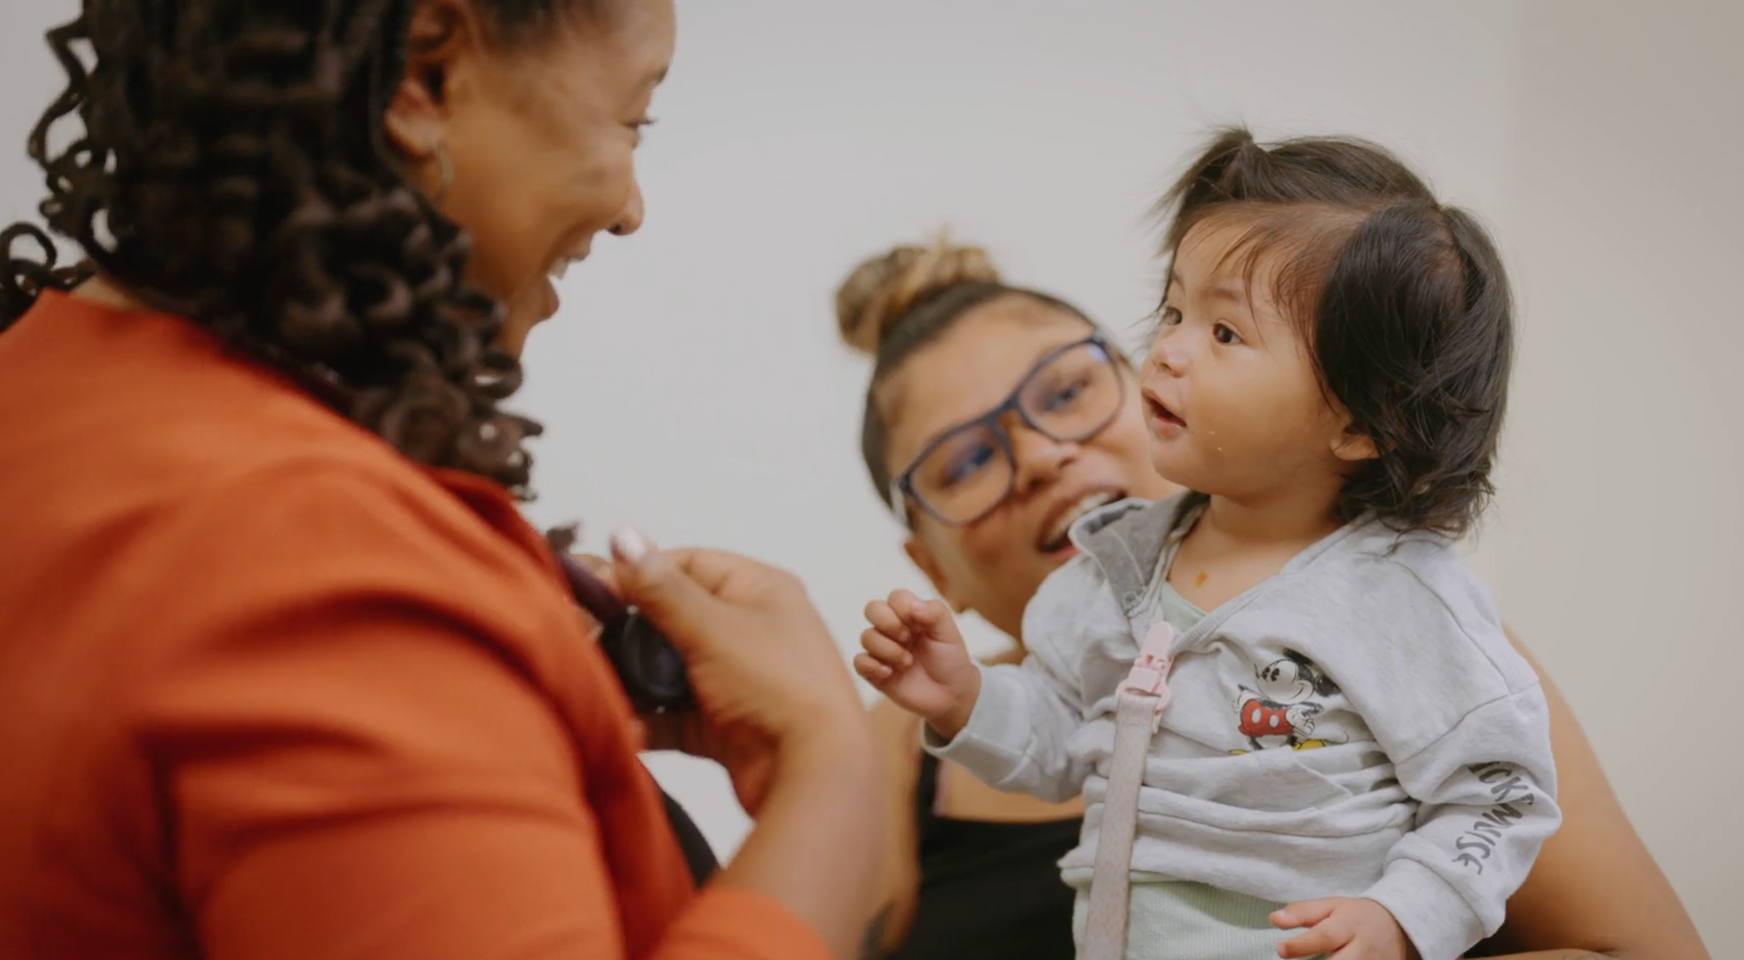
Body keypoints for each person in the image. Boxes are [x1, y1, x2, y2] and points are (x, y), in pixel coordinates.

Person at [0, 2, 883, 959]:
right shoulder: (323, 572)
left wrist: (485, 697)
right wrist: (829, 777)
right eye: (634, 120)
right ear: (426, 77)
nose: (632, 211)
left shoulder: (46, 388)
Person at [836, 229, 1711, 958]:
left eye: (1066, 392)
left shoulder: (1401, 630)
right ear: (933, 567)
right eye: (969, 461)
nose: (1037, 457)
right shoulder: (909, 738)